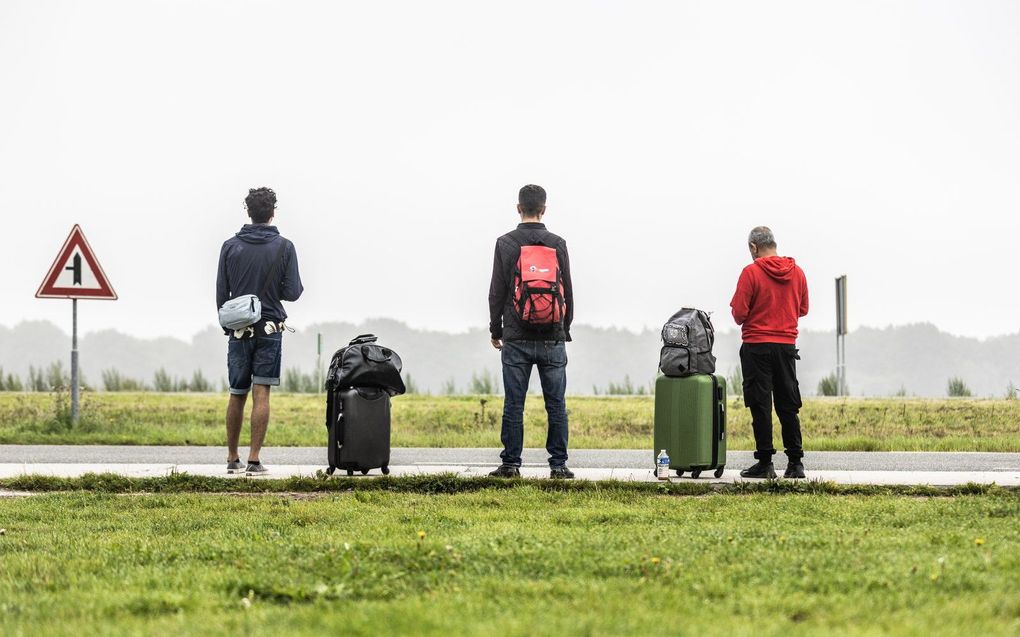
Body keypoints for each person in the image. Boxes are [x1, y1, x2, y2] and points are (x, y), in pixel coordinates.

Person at [487, 184, 575, 479]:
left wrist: (495, 329)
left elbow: (496, 292)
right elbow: (569, 292)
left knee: (514, 403)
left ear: (518, 208)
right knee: (556, 405)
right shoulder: (557, 243)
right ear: (544, 209)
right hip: (552, 336)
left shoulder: (506, 243)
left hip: (516, 336)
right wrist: (563, 328)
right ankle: (558, 465)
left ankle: (511, 464)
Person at [216, 187, 303, 475]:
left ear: (248, 212)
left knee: (236, 392)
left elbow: (221, 293)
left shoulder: (230, 246)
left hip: (239, 329)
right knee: (261, 392)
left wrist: (230, 323)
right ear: (272, 212)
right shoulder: (285, 247)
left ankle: (231, 458)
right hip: (269, 327)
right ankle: (254, 460)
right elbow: (292, 292)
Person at [730, 226, 809, 479]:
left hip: (756, 347)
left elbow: (739, 314)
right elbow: (803, 309)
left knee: (760, 405)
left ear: (754, 247)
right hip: (786, 346)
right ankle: (795, 464)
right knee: (788, 404)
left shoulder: (750, 272)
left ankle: (765, 463)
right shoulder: (797, 273)